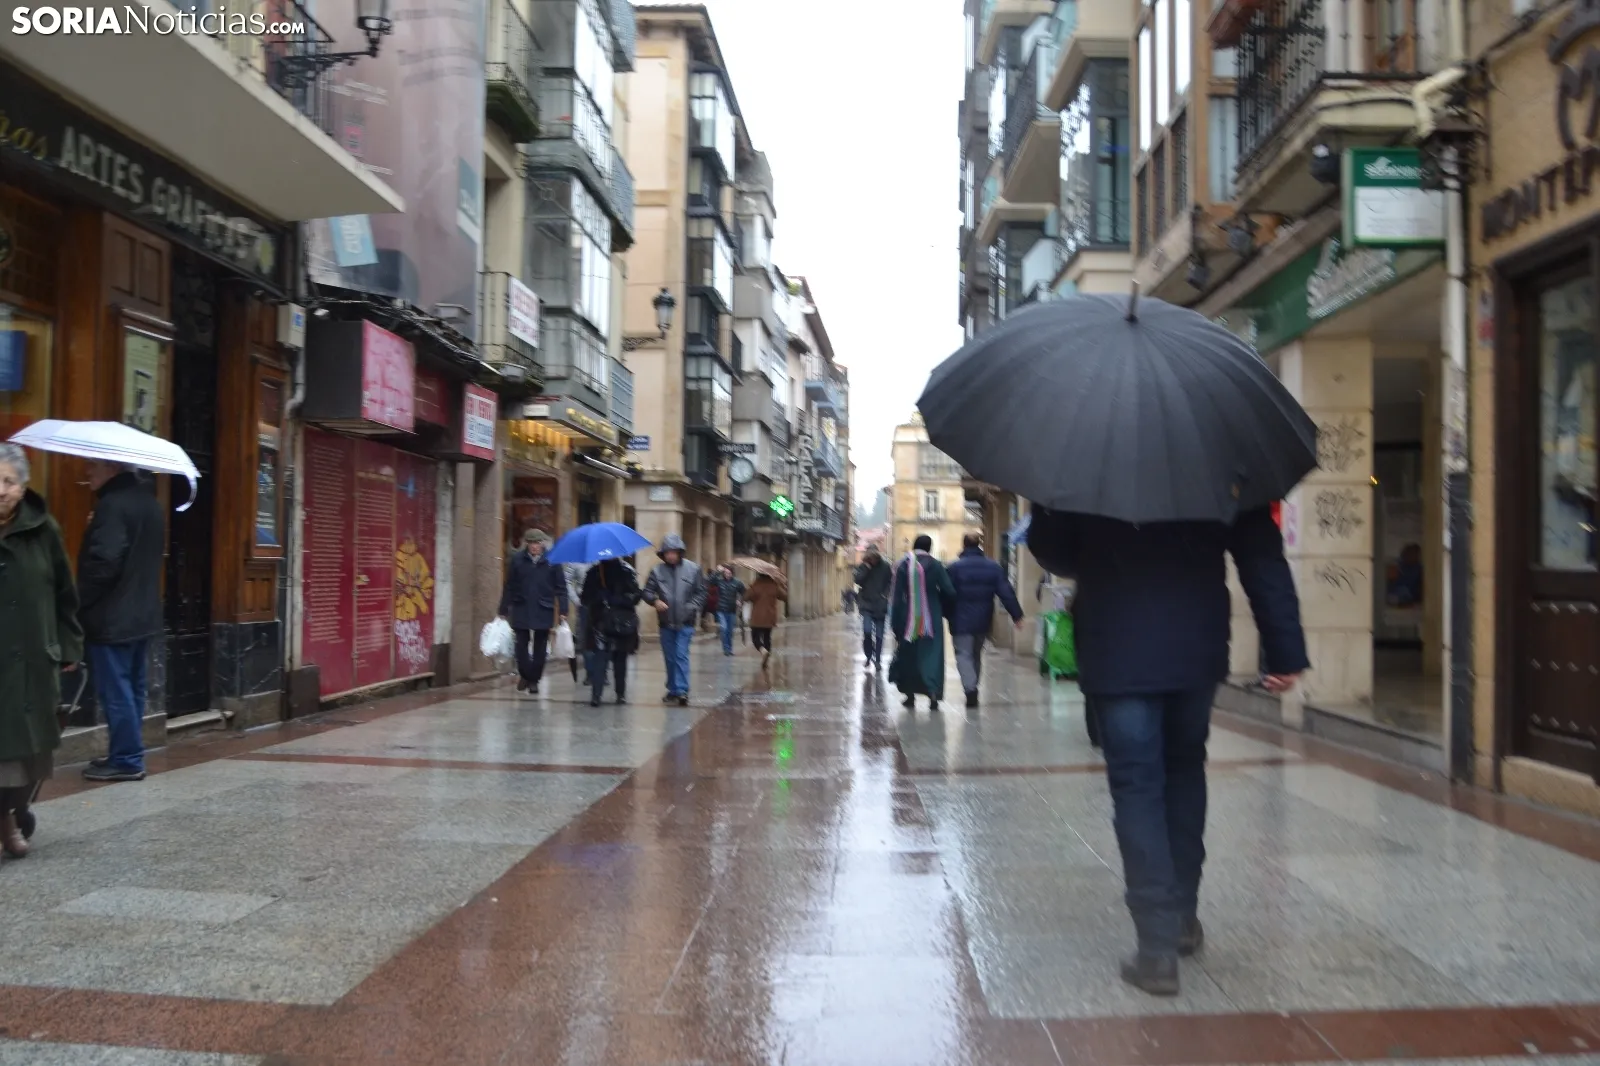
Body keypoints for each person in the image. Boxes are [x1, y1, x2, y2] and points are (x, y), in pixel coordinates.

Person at [1027, 504, 1307, 997]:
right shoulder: (1217, 461)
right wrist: (1284, 647)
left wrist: (1051, 512)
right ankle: (1181, 919)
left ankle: (1155, 949)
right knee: (1184, 770)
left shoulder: (1086, 464)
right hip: (1194, 646)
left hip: (1116, 645)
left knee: (1137, 786)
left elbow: (1055, 552)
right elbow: (1260, 555)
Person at [0, 444, 83, 856]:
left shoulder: (43, 528)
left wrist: (68, 646)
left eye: (8, 481)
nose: (1, 490)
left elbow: (65, 593)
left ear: (23, 486)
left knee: (27, 751)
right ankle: (7, 823)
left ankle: (10, 815)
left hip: (32, 657)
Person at [78, 460, 165, 784]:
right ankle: (126, 752)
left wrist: (77, 600)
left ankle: (127, 759)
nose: (87, 471)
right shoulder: (149, 503)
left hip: (112, 616)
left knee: (116, 692)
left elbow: (104, 562)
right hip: (141, 615)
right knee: (133, 689)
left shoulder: (112, 505)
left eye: (93, 466)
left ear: (113, 468)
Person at [946, 533, 1024, 708]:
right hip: (983, 619)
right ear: (979, 544)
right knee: (975, 654)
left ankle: (970, 689)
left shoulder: (954, 568)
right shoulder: (993, 567)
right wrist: (1017, 615)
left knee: (963, 654)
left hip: (960, 620)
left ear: (964, 545)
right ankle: (973, 686)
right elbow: (1006, 593)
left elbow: (946, 594)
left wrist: (946, 613)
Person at [887, 535, 956, 712]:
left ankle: (910, 695)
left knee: (909, 654)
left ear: (914, 546)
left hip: (908, 616)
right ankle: (933, 694)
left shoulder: (903, 565)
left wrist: (895, 622)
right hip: (932, 615)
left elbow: (896, 597)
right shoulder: (936, 565)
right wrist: (939, 603)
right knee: (932, 654)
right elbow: (949, 590)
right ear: (930, 548)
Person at [498, 529, 569, 696]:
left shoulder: (552, 561)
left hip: (543, 607)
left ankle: (533, 680)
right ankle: (525, 673)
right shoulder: (517, 560)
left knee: (540, 647)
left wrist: (563, 609)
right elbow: (510, 586)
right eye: (531, 543)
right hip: (521, 606)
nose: (534, 546)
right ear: (527, 544)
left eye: (537, 543)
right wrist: (503, 608)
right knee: (520, 645)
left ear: (542, 543)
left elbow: (561, 587)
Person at [642, 533, 705, 706]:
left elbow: (701, 592)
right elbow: (647, 592)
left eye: (673, 552)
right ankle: (672, 689)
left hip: (686, 622)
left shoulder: (693, 569)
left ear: (679, 552)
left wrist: (691, 607)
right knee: (670, 658)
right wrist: (655, 601)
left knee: (680, 655)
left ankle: (682, 690)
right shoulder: (657, 571)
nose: (670, 555)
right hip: (666, 622)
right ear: (663, 554)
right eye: (667, 552)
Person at [580, 559, 641, 706]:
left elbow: (636, 596)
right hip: (600, 622)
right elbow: (585, 598)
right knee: (600, 658)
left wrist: (618, 599)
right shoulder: (594, 572)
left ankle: (620, 693)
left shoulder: (626, 571)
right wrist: (598, 598)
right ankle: (596, 695)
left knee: (620, 658)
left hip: (621, 621)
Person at [853, 547, 892, 671]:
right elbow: (857, 580)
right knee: (867, 631)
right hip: (866, 605)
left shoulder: (885, 566)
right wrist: (867, 568)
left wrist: (885, 595)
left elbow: (890, 582)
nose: (873, 560)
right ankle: (869, 655)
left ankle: (878, 660)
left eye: (875, 557)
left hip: (880, 605)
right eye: (871, 558)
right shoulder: (863, 566)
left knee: (879, 636)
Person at [744, 573, 787, 667]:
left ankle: (763, 651)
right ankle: (766, 659)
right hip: (770, 617)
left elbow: (746, 597)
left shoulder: (756, 585)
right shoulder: (774, 585)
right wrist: (782, 585)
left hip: (757, 617)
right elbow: (784, 597)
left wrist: (750, 587)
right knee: (767, 638)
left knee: (755, 638)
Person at [710, 565, 745, 656]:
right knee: (724, 628)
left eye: (729, 573)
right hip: (721, 609)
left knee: (730, 631)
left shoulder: (737, 582)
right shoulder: (719, 581)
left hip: (732, 610)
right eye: (725, 573)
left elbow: (744, 592)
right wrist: (717, 571)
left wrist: (740, 600)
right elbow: (710, 581)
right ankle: (725, 649)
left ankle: (729, 649)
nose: (727, 575)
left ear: (732, 573)